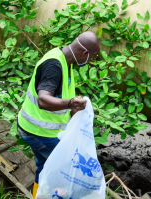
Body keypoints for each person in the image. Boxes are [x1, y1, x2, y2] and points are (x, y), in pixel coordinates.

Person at [17, 31, 101, 198]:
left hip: (32, 129)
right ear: (84, 53)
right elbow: (43, 100)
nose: (90, 61)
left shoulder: (64, 60)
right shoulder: (54, 66)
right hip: (39, 132)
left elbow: (59, 95)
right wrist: (70, 103)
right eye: (91, 57)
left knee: (44, 169)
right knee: (67, 171)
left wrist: (73, 110)